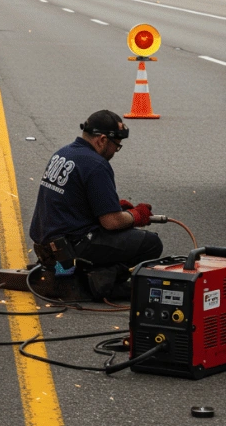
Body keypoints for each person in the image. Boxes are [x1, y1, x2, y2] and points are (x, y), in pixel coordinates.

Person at [29, 110, 163, 299]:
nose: (115, 152)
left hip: (48, 246)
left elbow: (73, 200)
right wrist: (136, 215)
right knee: (151, 243)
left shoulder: (62, 153)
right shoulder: (96, 164)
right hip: (73, 246)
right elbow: (112, 222)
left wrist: (113, 205)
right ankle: (96, 283)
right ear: (102, 140)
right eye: (116, 146)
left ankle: (68, 272)